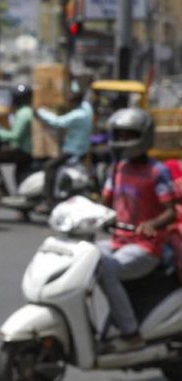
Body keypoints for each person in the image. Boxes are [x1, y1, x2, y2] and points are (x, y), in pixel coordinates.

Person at [97, 108, 176, 352]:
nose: (121, 141)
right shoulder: (118, 168)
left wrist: (152, 224)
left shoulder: (156, 171)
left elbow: (170, 211)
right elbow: (105, 203)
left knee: (106, 269)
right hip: (118, 242)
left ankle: (130, 333)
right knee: (82, 256)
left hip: (145, 247)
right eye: (118, 135)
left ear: (143, 136)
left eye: (127, 135)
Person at [34, 84, 93, 213]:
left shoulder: (78, 115)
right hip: (79, 148)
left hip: (73, 150)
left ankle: (48, 200)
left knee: (49, 166)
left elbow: (57, 122)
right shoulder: (87, 109)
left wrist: (40, 111)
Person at [0, 84, 33, 185]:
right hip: (23, 150)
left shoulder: (23, 114)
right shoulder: (25, 111)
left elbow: (15, 136)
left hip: (24, 151)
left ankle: (0, 185)